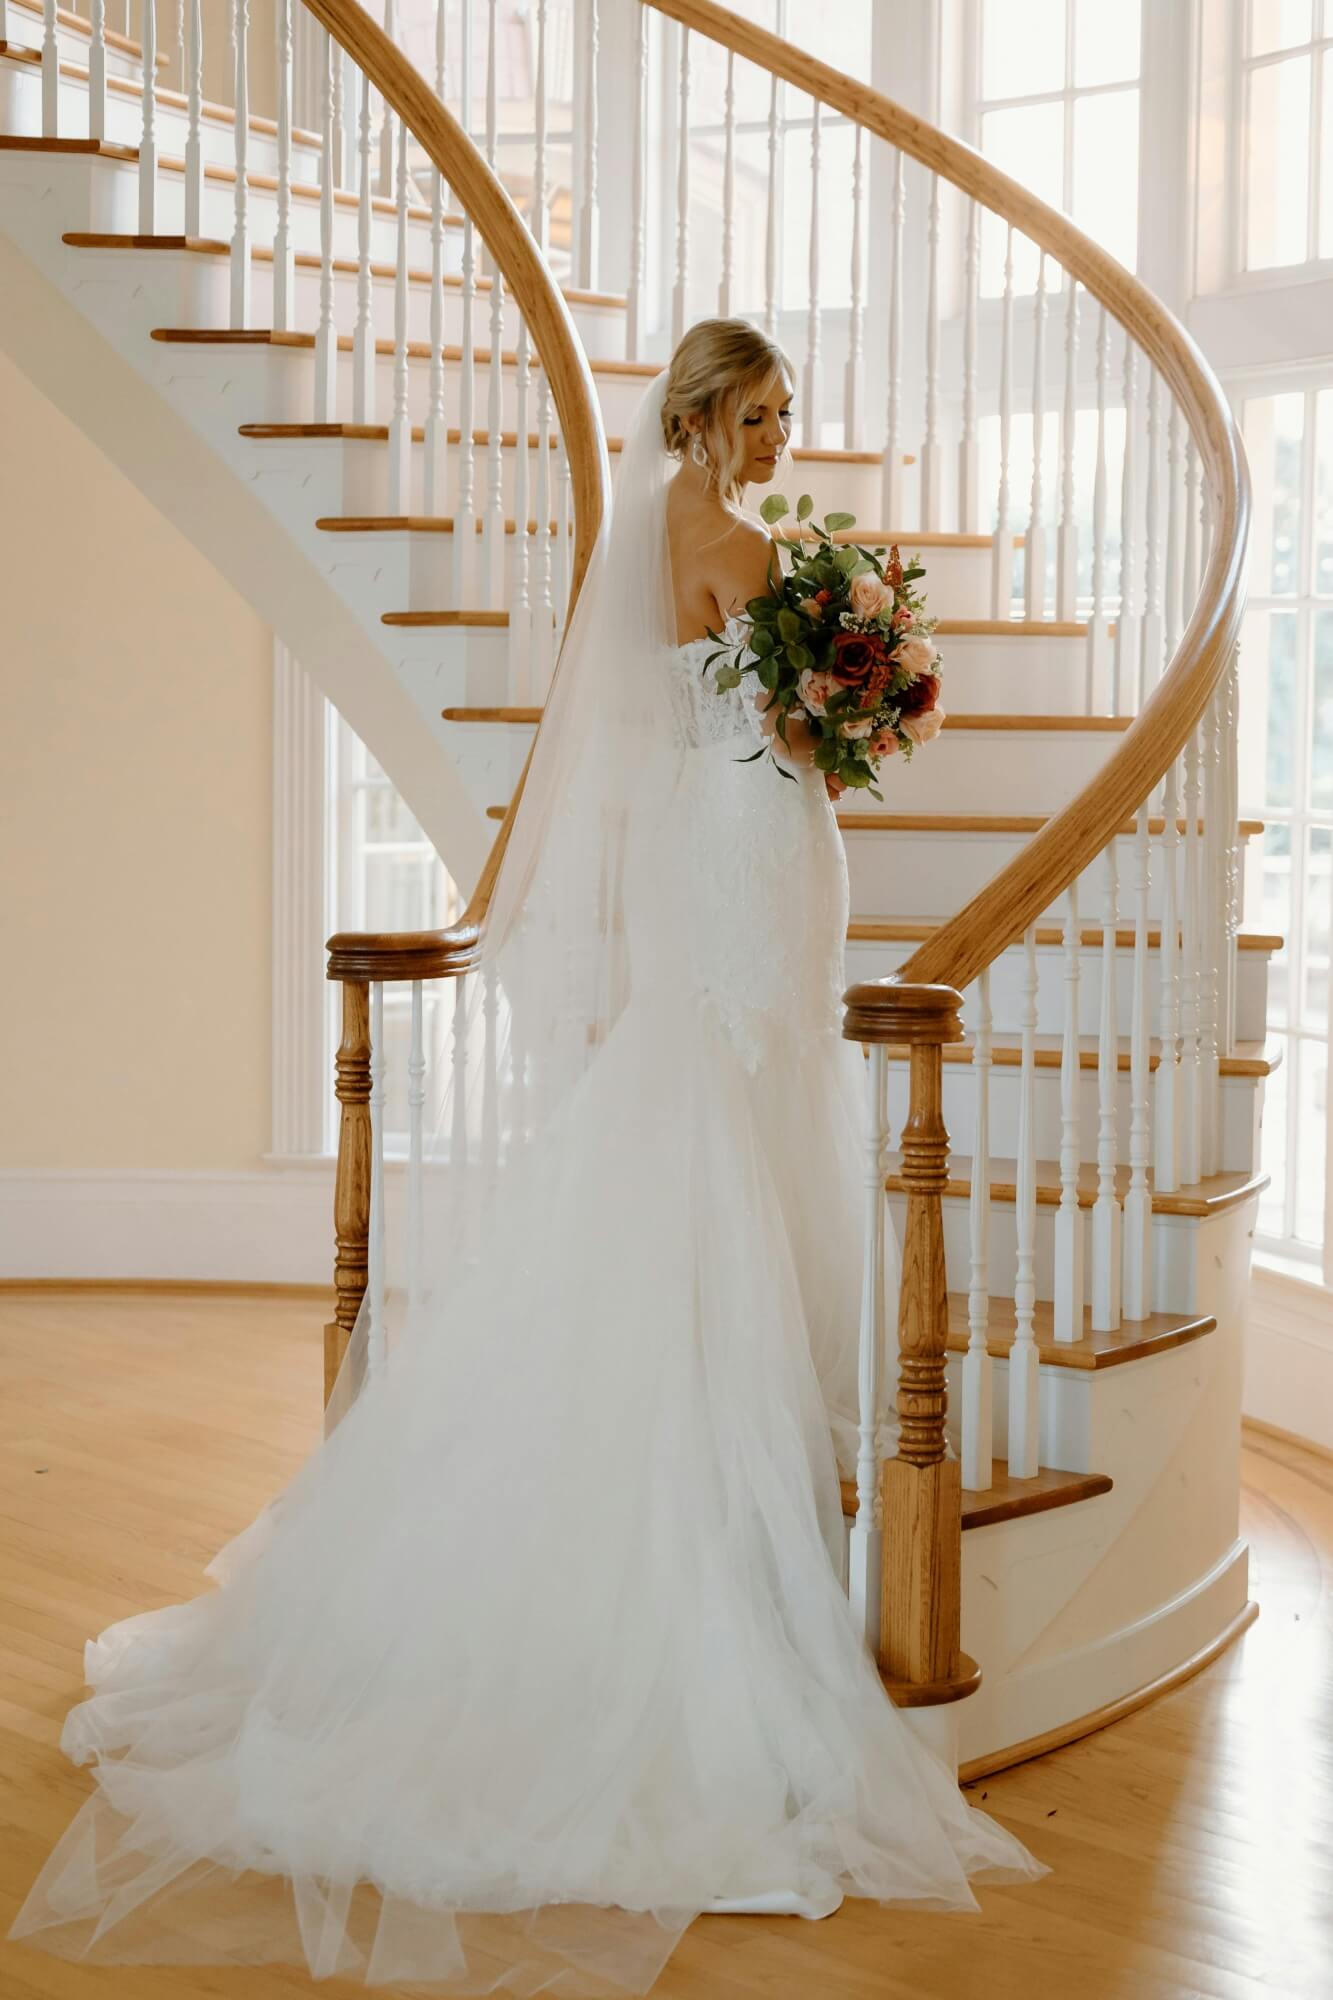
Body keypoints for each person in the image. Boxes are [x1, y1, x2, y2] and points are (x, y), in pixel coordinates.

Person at [9, 318, 1050, 1995]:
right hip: (750, 848)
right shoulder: (729, 545)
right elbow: (776, 734)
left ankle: (745, 1484)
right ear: (702, 419)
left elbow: (709, 729)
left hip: (743, 857)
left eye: (788, 416)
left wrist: (849, 685)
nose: (783, 438)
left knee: (728, 1111)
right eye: (763, 413)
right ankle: (704, 1532)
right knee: (717, 1123)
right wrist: (851, 695)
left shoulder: (681, 541)